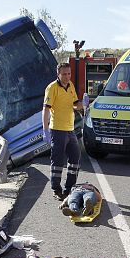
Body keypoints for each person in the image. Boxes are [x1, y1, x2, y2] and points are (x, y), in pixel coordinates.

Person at [42, 63, 83, 200]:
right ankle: (56, 189)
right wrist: (45, 129)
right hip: (57, 130)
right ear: (58, 74)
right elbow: (46, 109)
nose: (67, 77)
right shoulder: (52, 87)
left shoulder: (70, 85)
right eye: (64, 74)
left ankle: (69, 188)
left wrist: (83, 104)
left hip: (70, 129)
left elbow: (75, 105)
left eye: (69, 74)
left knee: (75, 158)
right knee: (57, 161)